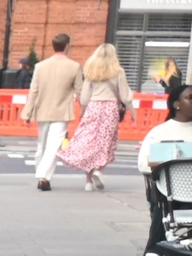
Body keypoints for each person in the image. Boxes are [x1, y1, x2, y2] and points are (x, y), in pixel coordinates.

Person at [137, 81, 192, 256]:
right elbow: (143, 163)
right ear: (177, 104)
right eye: (190, 97)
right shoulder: (160, 132)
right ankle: (154, 252)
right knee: (162, 200)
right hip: (170, 195)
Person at [57, 42, 135, 190]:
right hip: (110, 109)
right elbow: (125, 96)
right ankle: (99, 171)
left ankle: (88, 182)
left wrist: (83, 111)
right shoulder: (119, 72)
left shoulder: (91, 71)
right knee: (105, 142)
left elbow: (85, 97)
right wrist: (133, 112)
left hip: (94, 107)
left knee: (91, 142)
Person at [27, 32, 81, 191]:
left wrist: (27, 111)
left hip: (42, 109)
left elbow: (33, 91)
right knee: (54, 146)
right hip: (62, 111)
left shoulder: (40, 66)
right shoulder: (74, 66)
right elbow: (80, 90)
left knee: (42, 144)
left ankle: (42, 175)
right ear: (68, 46)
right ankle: (44, 176)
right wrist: (85, 109)